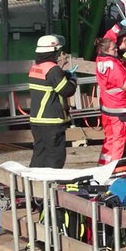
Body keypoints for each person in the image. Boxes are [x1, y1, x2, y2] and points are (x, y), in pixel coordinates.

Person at [28, 35, 78, 168]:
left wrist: (63, 75)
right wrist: (73, 80)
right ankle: (51, 184)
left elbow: (49, 82)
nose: (59, 55)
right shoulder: (53, 70)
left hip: (36, 120)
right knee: (55, 156)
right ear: (53, 52)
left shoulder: (35, 68)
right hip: (52, 120)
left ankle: (34, 183)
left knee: (40, 153)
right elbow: (67, 90)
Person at [95, 37, 126, 165]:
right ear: (106, 50)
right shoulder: (114, 65)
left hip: (107, 107)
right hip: (119, 108)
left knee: (109, 139)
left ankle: (103, 165)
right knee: (119, 139)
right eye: (113, 48)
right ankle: (115, 169)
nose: (116, 49)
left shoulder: (100, 59)